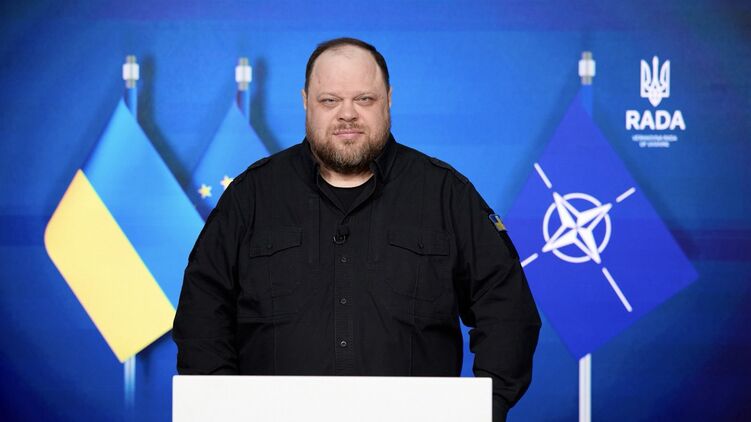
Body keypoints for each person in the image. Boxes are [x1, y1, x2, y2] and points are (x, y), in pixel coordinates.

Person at [173, 37, 541, 422]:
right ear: (305, 101)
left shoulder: (446, 194)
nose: (347, 114)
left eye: (364, 99)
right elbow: (202, 313)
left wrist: (485, 408)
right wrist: (221, 408)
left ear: (389, 99)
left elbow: (507, 311)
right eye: (329, 100)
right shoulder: (250, 196)